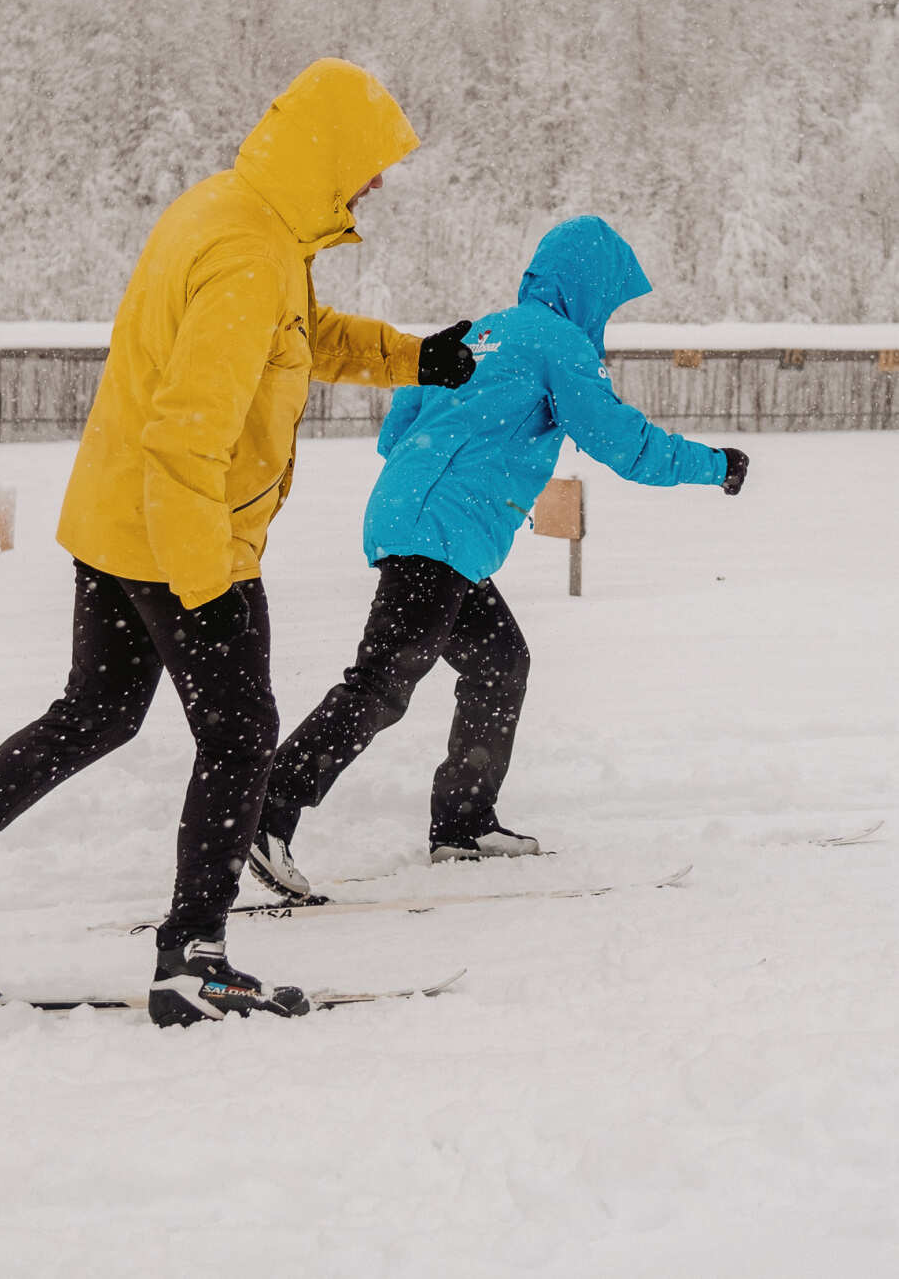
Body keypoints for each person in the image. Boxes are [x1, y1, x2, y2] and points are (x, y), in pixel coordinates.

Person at [0, 59, 476, 1027]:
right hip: (176, 533)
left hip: (115, 521)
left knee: (94, 712)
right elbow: (187, 434)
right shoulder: (246, 249)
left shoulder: (236, 215)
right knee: (240, 735)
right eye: (371, 162)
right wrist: (207, 583)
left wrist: (412, 356)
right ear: (331, 155)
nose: (377, 182)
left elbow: (298, 335)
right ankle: (194, 958)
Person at [248, 215, 749, 900]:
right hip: (441, 530)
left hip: (412, 515)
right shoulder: (559, 343)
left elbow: (398, 427)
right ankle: (267, 808)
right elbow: (620, 444)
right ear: (589, 289)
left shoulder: (480, 329)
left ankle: (463, 824)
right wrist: (713, 464)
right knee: (383, 681)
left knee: (498, 662)